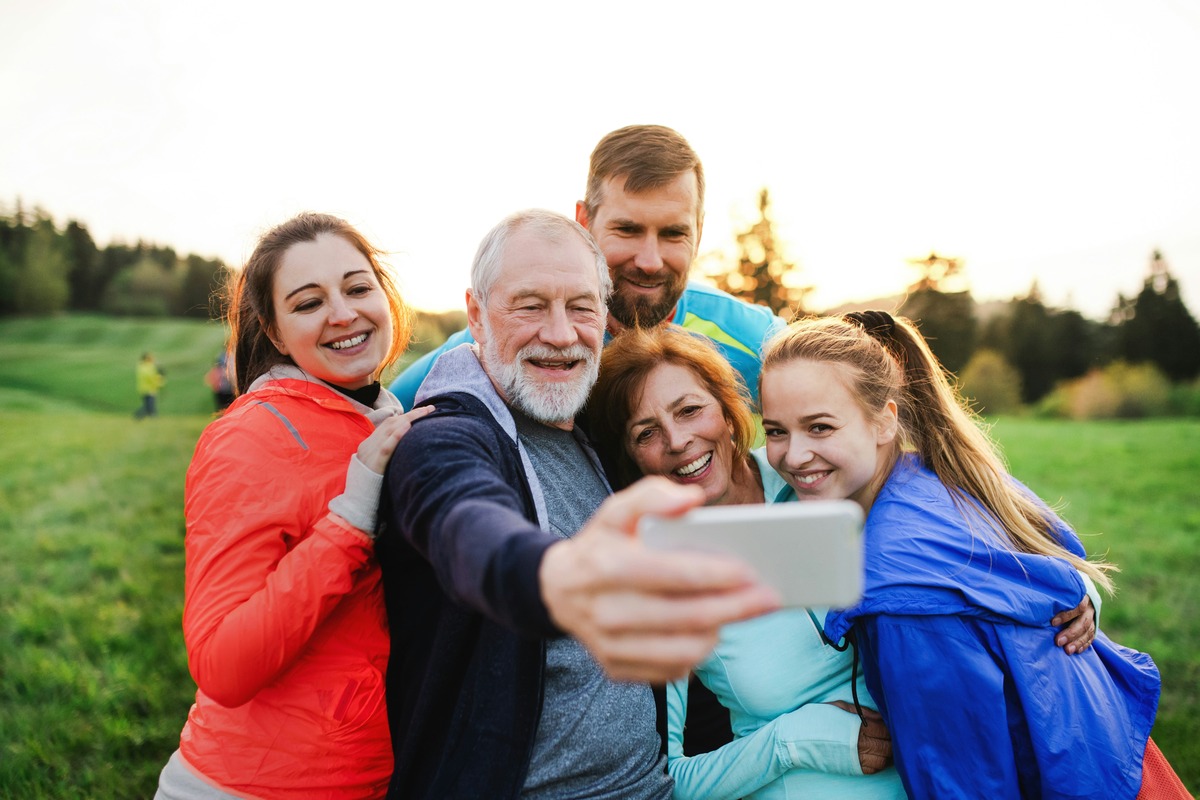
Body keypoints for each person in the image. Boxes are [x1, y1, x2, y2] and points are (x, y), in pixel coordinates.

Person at [586, 324, 1101, 799]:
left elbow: (972, 534)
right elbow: (666, 779)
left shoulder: (818, 475)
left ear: (727, 411)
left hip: (944, 777)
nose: (677, 441)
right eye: (645, 433)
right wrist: (791, 741)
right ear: (632, 458)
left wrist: (1075, 595)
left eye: (689, 410)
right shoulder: (661, 570)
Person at [377, 209, 780, 799]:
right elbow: (462, 521)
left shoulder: (591, 431)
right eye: (531, 305)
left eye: (581, 306)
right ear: (476, 315)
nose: (562, 334)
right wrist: (552, 575)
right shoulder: (448, 436)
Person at [761, 312, 1168, 798]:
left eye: (820, 427)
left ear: (884, 422)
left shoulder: (901, 599)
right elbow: (1059, 556)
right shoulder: (942, 476)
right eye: (776, 431)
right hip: (1118, 756)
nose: (794, 454)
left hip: (1084, 778)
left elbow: (960, 783)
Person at [154, 212, 432, 800]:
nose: (342, 313)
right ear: (276, 332)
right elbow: (222, 664)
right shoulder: (253, 434)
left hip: (364, 779)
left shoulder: (376, 413)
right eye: (308, 303)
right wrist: (350, 521)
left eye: (357, 288)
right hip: (248, 787)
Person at [387, 124, 785, 409]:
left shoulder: (755, 340)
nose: (650, 261)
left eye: (673, 234)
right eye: (627, 230)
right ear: (584, 221)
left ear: (699, 230)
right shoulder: (503, 342)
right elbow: (377, 418)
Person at [134, 351, 166, 418]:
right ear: (146, 359)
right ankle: (144, 415)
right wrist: (159, 382)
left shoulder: (141, 366)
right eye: (150, 358)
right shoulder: (148, 367)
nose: (152, 359)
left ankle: (142, 415)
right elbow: (151, 377)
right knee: (150, 405)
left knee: (148, 405)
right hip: (149, 389)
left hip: (144, 388)